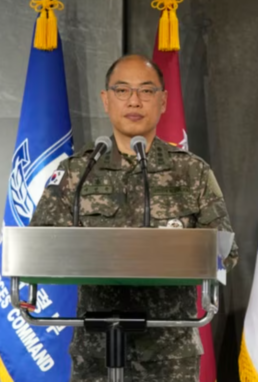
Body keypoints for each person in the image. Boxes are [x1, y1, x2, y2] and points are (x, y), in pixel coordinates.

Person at [30, 54, 237, 382]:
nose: (134, 101)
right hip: (96, 349)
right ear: (106, 100)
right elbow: (39, 245)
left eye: (146, 90)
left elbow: (226, 252)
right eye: (122, 90)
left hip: (170, 352)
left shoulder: (191, 172)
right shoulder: (77, 171)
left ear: (163, 101)